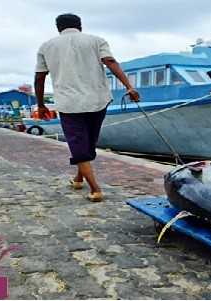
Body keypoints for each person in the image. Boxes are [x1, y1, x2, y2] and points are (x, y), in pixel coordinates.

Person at [34, 13, 140, 202]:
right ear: (80, 26)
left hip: (68, 103)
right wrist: (129, 87)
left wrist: (41, 104)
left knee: (78, 144)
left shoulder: (46, 46)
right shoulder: (96, 41)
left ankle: (95, 189)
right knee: (89, 142)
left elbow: (39, 77)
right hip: (97, 100)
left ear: (58, 28)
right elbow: (111, 62)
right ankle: (78, 178)